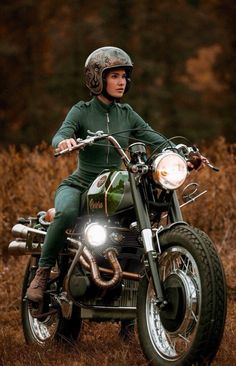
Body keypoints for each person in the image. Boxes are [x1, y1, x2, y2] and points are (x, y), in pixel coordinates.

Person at [26, 46, 205, 302]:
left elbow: (154, 136)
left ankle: (133, 294)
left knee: (141, 222)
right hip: (81, 185)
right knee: (65, 213)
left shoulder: (127, 114)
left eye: (123, 76)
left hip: (115, 187)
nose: (121, 82)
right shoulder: (82, 110)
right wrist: (64, 141)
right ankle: (43, 273)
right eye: (114, 76)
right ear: (97, 79)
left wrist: (181, 152)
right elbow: (62, 133)